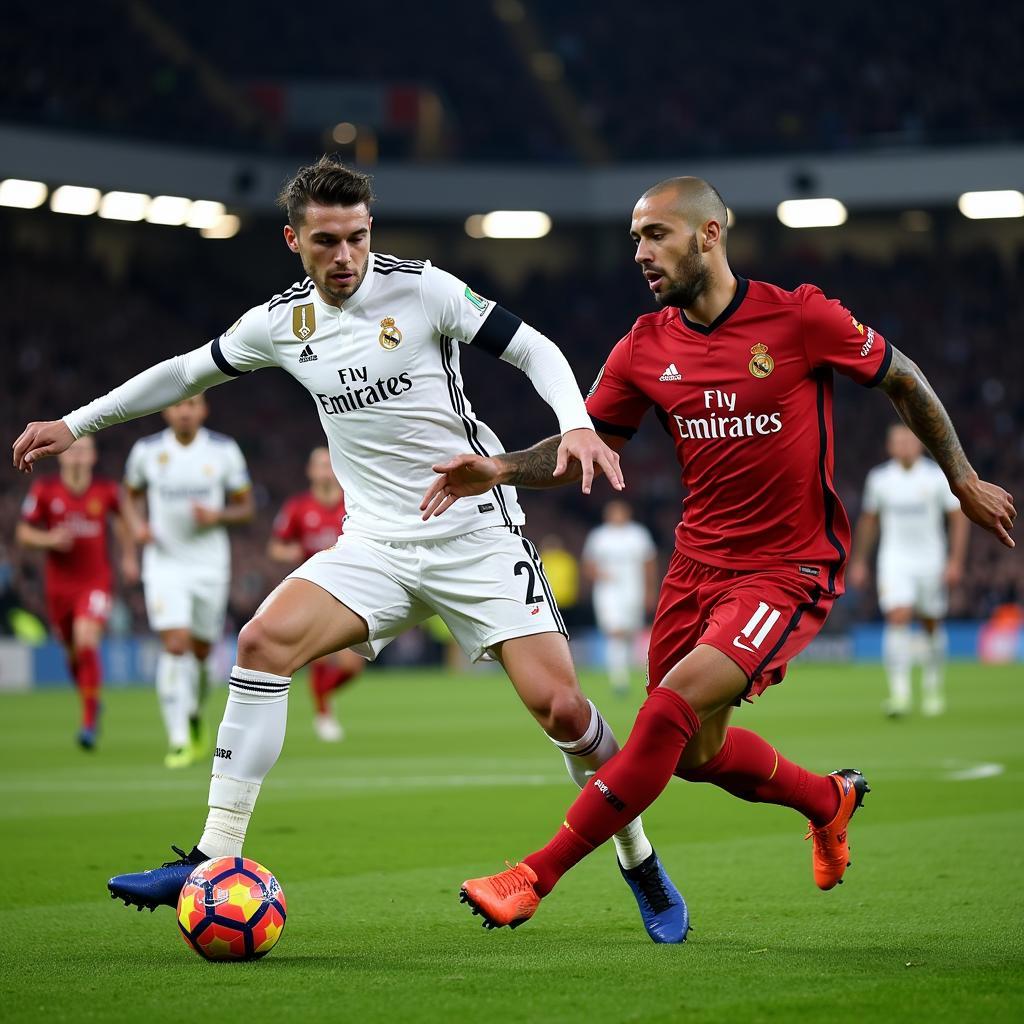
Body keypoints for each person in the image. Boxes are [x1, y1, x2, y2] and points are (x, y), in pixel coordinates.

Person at [12, 156, 687, 943]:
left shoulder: (424, 288)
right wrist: (76, 424)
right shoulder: (279, 323)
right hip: (374, 542)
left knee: (564, 710)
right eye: (327, 241)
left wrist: (574, 422)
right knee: (261, 643)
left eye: (358, 238)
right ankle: (210, 856)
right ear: (293, 239)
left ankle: (637, 859)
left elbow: (533, 347)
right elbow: (182, 372)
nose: (345, 257)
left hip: (473, 533)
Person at [417, 176, 1016, 932]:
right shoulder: (643, 345)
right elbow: (585, 446)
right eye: (635, 237)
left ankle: (533, 876)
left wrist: (960, 477)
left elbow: (901, 377)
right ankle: (828, 800)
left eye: (656, 235)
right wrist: (500, 468)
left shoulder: (799, 317)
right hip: (696, 568)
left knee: (666, 710)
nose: (640, 252)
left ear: (708, 235)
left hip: (787, 566)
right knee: (697, 754)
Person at [123, 395, 254, 768]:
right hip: (164, 564)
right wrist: (137, 528)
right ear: (166, 410)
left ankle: (195, 714)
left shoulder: (223, 451)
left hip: (210, 565)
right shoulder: (147, 452)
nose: (184, 410)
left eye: (192, 404)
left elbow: (246, 508)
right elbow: (128, 497)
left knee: (200, 653)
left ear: (203, 410)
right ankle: (178, 738)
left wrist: (218, 515)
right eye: (178, 405)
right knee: (175, 644)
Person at [15, 436, 138, 749]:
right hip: (58, 587)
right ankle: (91, 699)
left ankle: (88, 722)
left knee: (86, 641)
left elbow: (123, 521)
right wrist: (50, 539)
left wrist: (128, 557)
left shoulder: (106, 492)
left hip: (95, 582)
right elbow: (24, 533)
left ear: (93, 457)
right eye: (73, 450)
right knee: (72, 652)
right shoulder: (45, 491)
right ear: (61, 456)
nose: (79, 456)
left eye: (85, 450)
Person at [849, 424, 968, 717]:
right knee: (897, 616)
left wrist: (955, 560)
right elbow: (869, 521)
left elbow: (958, 518)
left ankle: (932, 689)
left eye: (909, 440)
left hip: (931, 560)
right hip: (895, 560)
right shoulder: (880, 479)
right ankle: (899, 695)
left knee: (930, 622)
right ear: (890, 446)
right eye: (898, 441)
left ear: (920, 444)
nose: (904, 445)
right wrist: (860, 561)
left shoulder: (936, 476)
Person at [268, 445, 363, 741]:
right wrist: (292, 551)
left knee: (352, 666)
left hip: (351, 590)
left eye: (328, 464)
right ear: (310, 472)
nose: (324, 470)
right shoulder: (298, 508)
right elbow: (275, 547)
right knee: (320, 659)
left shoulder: (353, 504)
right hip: (314, 590)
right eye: (318, 465)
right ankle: (323, 714)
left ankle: (323, 700)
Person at [582, 500, 657, 695]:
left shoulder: (638, 534)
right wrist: (599, 575)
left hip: (634, 589)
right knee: (615, 632)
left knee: (632, 632)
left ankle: (636, 674)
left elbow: (649, 564)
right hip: (608, 592)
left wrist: (650, 591)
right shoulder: (599, 536)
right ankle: (619, 681)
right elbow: (588, 565)